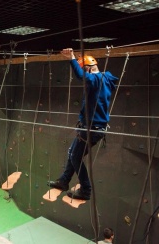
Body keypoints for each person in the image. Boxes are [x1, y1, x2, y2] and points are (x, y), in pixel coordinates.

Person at [48, 48, 118, 200]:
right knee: (72, 152)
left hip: (91, 129)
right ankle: (64, 180)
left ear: (87, 69)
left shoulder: (94, 80)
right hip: (93, 128)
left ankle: (86, 190)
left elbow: (81, 76)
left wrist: (72, 58)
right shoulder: (106, 77)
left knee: (76, 157)